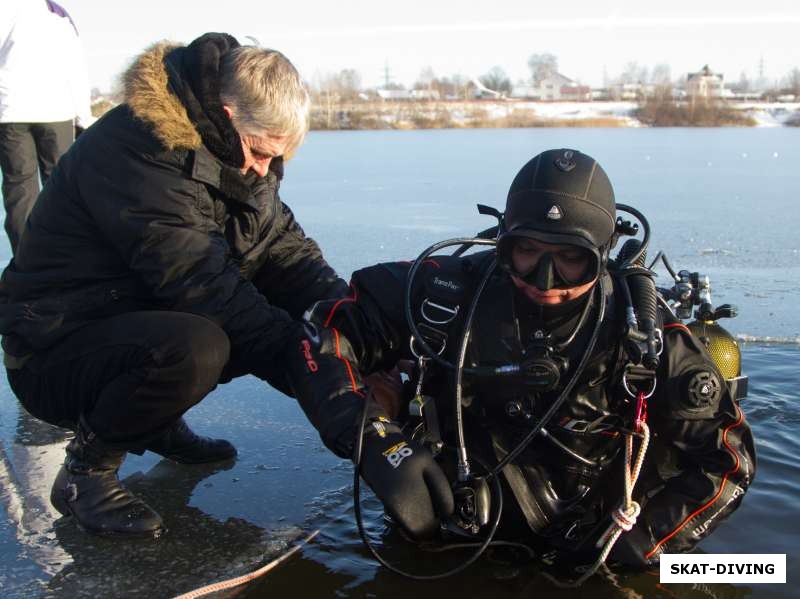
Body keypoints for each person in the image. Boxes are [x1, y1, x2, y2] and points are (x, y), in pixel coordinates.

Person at [286, 149, 756, 570]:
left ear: (603, 253)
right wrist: (374, 441)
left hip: (594, 539)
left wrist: (651, 541)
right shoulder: (448, 293)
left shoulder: (643, 339)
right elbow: (320, 331)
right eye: (527, 250)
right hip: (448, 523)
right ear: (503, 241)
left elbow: (730, 462)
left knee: (755, 570)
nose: (545, 279)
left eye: (572, 258)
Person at [0, 33, 349, 538]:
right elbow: (203, 286)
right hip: (52, 350)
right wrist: (329, 383)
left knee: (234, 324)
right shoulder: (138, 152)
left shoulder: (233, 151)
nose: (266, 170)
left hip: (127, 321)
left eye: (278, 160)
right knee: (201, 343)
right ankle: (86, 472)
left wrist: (351, 324)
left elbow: (285, 254)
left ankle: (153, 422)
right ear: (229, 117)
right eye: (261, 153)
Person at [0, 0, 94, 253]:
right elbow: (76, 69)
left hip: (11, 110)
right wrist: (82, 117)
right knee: (62, 185)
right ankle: (64, 255)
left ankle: (24, 257)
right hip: (56, 109)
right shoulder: (59, 15)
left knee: (19, 187)